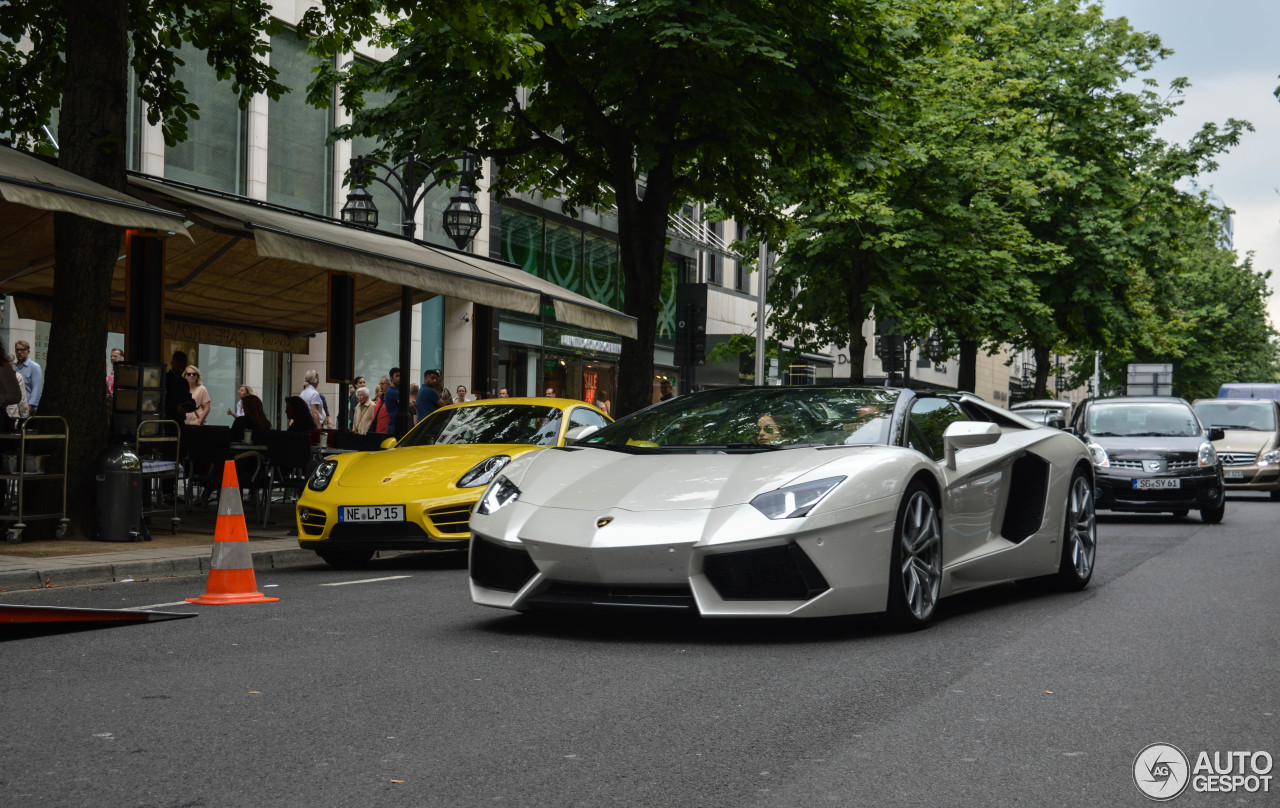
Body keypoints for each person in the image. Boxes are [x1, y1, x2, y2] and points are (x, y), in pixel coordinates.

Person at [164, 351, 195, 423]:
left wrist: (191, 404)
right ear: (172, 364)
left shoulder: (184, 382)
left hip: (179, 420)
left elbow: (187, 397)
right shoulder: (165, 379)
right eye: (178, 367)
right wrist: (176, 408)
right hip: (167, 419)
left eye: (183, 367)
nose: (181, 370)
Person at [13, 340, 42, 414]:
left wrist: (30, 406)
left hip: (29, 408)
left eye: (22, 350)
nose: (19, 352)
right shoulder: (14, 367)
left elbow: (36, 388)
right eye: (17, 350)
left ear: (28, 351)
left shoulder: (34, 367)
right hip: (15, 408)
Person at [383, 367, 402, 435]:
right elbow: (407, 405)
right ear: (391, 378)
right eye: (397, 376)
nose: (399, 378)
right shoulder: (393, 392)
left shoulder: (393, 391)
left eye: (400, 376)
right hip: (396, 427)